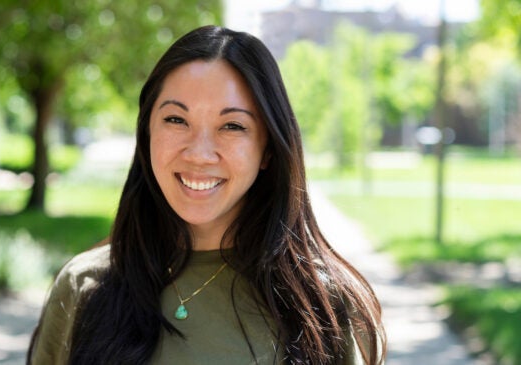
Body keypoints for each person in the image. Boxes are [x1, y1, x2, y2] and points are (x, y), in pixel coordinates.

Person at [27, 25, 386, 365]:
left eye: (232, 126)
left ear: (268, 150)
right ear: (147, 133)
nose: (199, 154)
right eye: (176, 120)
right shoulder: (83, 285)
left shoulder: (323, 304)